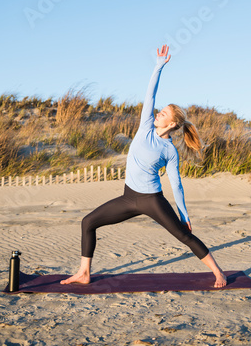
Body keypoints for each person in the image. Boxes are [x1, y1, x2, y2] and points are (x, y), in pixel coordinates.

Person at [61, 45, 227, 288]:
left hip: (152, 200)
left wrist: (184, 213)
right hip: (129, 198)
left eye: (164, 114)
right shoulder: (146, 126)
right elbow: (150, 94)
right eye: (159, 112)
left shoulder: (170, 151)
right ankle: (84, 272)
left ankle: (218, 272)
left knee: (184, 235)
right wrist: (158, 66)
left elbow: (176, 184)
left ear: (172, 124)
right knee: (88, 222)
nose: (158, 114)